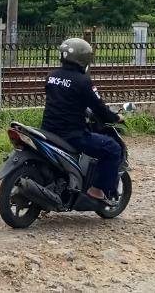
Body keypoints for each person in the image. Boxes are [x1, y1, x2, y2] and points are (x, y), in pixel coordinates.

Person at [40, 38, 125, 205]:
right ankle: (97, 190)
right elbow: (99, 108)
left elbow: (63, 99)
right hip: (71, 134)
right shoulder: (83, 81)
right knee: (112, 148)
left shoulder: (51, 77)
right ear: (83, 59)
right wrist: (116, 118)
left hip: (48, 131)